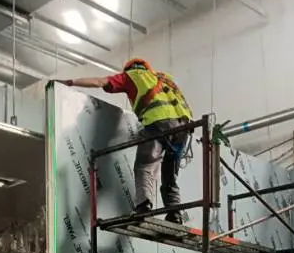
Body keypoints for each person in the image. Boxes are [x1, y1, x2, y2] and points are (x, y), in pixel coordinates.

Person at [58, 58, 194, 224]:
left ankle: (143, 208)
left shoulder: (132, 75)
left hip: (158, 124)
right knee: (170, 174)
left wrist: (70, 82)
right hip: (183, 129)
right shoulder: (164, 77)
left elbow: (100, 81)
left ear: (129, 69)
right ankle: (175, 213)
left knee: (144, 166)